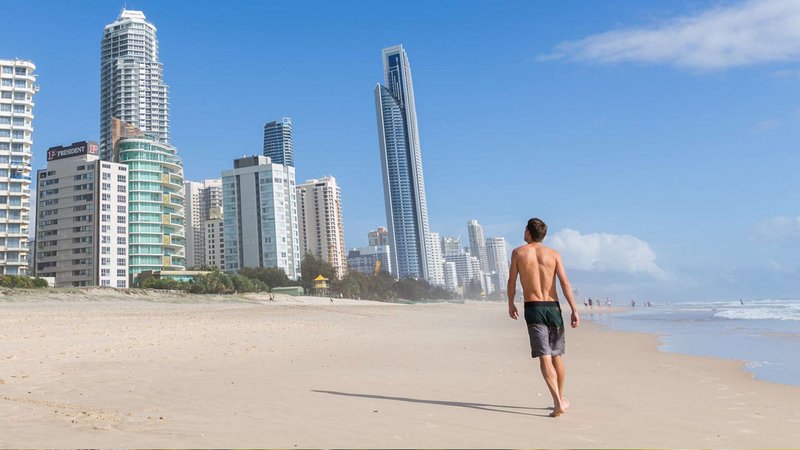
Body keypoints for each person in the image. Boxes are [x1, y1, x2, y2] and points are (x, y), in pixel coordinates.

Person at [507, 218, 580, 417]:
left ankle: (557, 401)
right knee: (556, 355)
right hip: (553, 308)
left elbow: (512, 281)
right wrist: (574, 309)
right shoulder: (554, 254)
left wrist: (511, 302)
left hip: (534, 307)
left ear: (529, 232)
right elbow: (564, 283)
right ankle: (561, 397)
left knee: (544, 356)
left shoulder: (519, 252)